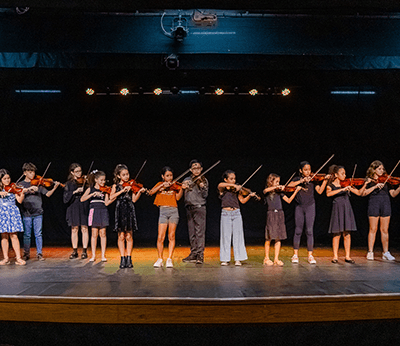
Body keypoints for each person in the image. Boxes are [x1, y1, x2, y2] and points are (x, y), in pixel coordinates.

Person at [288, 161, 330, 264]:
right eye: (305, 170)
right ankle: (295, 255)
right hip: (299, 207)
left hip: (310, 206)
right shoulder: (297, 179)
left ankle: (310, 255)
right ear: (301, 171)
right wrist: (301, 181)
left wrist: (324, 181)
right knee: (298, 230)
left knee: (309, 231)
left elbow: (320, 191)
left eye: (309, 170)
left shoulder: (313, 180)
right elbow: (289, 185)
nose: (308, 172)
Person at [326, 165, 368, 264]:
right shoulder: (331, 185)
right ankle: (335, 256)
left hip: (346, 209)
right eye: (342, 173)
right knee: (336, 233)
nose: (345, 175)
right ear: (336, 175)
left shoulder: (347, 184)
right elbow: (328, 194)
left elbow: (359, 193)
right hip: (337, 209)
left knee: (347, 234)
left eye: (345, 173)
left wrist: (365, 184)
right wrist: (342, 189)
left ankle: (347, 256)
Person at [19, 162, 60, 261]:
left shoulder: (38, 183)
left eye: (33, 171)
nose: (32, 174)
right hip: (27, 212)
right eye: (29, 172)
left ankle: (39, 253)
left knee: (38, 234)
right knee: (27, 235)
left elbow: (48, 194)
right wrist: (27, 189)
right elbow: (19, 196)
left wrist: (54, 187)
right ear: (25, 173)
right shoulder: (20, 184)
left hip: (38, 212)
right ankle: (26, 253)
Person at [217, 170, 257, 266]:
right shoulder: (223, 189)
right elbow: (220, 185)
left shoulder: (237, 190)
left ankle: (238, 259)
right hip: (226, 213)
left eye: (234, 179)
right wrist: (235, 186)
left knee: (238, 236)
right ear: (226, 179)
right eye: (231, 179)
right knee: (225, 236)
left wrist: (249, 196)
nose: (233, 181)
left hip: (236, 213)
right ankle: (225, 259)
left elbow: (242, 201)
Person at [362, 160, 400, 261]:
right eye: (379, 169)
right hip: (374, 203)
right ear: (373, 170)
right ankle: (370, 252)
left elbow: (393, 194)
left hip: (385, 203)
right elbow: (364, 193)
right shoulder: (369, 180)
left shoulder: (386, 180)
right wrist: (375, 186)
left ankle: (385, 252)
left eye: (382, 169)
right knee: (373, 229)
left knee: (384, 230)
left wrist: (399, 188)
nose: (382, 171)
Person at [110, 164, 146, 269]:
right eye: (124, 175)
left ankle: (129, 258)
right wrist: (122, 191)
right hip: (120, 210)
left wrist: (139, 191)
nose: (126, 176)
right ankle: (122, 258)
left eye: (127, 174)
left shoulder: (131, 185)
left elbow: (134, 200)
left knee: (129, 236)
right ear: (118, 176)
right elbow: (111, 196)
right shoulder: (115, 186)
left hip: (129, 210)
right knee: (121, 236)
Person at [263, 174, 301, 266]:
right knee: (269, 237)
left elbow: (288, 201)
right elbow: (265, 190)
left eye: (279, 182)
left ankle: (276, 258)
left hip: (280, 214)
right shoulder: (268, 191)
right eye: (276, 182)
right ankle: (266, 258)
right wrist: (276, 187)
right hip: (271, 214)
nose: (279, 184)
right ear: (271, 182)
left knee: (278, 237)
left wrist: (296, 191)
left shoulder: (280, 192)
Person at [148, 166, 183, 268]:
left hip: (173, 211)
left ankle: (169, 259)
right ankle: (160, 259)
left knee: (171, 236)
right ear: (163, 176)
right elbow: (151, 192)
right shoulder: (160, 184)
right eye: (167, 176)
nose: (170, 178)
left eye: (171, 175)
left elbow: (178, 198)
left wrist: (182, 189)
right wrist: (162, 185)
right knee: (160, 237)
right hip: (163, 211)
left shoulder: (175, 185)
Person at [80, 170, 112, 262]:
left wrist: (112, 197)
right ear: (96, 180)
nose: (103, 182)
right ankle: (93, 255)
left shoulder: (105, 190)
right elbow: (82, 199)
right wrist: (92, 194)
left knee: (103, 233)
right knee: (94, 234)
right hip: (94, 211)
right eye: (101, 180)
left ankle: (103, 255)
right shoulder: (90, 189)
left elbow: (106, 203)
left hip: (103, 211)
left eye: (104, 180)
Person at [181, 160, 208, 264]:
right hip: (189, 208)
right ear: (191, 170)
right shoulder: (187, 179)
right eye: (194, 168)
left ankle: (200, 255)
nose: (196, 170)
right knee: (192, 232)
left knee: (199, 232)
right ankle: (193, 254)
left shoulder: (204, 180)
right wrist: (183, 187)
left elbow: (205, 195)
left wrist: (202, 187)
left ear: (201, 169)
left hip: (199, 207)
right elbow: (183, 190)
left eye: (198, 168)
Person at [0, 169, 27, 265]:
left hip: (12, 212)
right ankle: (6, 258)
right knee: (4, 236)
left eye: (8, 178)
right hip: (2, 213)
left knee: (14, 235)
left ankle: (18, 258)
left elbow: (19, 201)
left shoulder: (13, 187)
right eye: (4, 179)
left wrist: (22, 193)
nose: (7, 180)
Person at [63, 163, 89, 259]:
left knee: (84, 228)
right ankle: (75, 251)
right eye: (77, 171)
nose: (79, 173)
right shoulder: (69, 184)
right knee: (74, 229)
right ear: (72, 172)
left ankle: (84, 251)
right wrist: (74, 192)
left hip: (83, 205)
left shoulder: (85, 182)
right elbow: (65, 199)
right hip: (73, 206)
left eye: (80, 171)